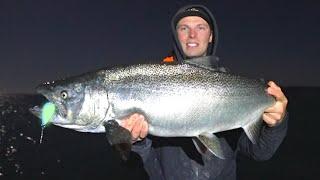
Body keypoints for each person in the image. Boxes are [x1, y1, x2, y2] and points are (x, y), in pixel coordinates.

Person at [120, 4, 288, 180]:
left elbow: (260, 152)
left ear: (211, 36)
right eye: (184, 28)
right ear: (176, 36)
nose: (192, 35)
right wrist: (135, 142)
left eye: (200, 27)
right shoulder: (149, 85)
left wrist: (276, 124)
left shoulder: (236, 88)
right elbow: (133, 165)